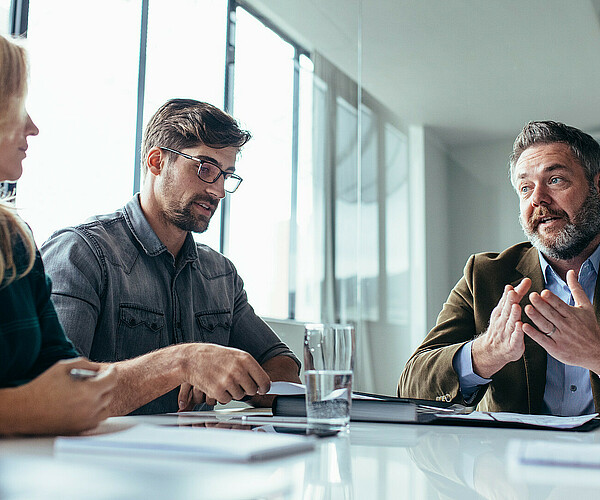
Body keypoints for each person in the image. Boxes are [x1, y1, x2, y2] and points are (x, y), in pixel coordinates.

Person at [41, 98, 301, 414]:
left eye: (226, 175)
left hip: (203, 457)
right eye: (206, 169)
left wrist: (233, 382)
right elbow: (54, 391)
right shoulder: (81, 254)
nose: (218, 191)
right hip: (106, 460)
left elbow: (284, 365)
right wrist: (184, 363)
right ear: (157, 162)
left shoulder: (220, 275)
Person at [399, 120, 600, 415]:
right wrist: (487, 353)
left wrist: (595, 353)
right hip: (513, 458)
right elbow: (411, 386)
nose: (537, 199)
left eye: (555, 179)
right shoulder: (483, 275)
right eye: (525, 187)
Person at [0, 34, 117, 435]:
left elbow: (65, 373)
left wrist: (177, 365)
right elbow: (44, 401)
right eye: (18, 106)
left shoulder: (13, 239)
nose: (32, 127)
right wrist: (20, 410)